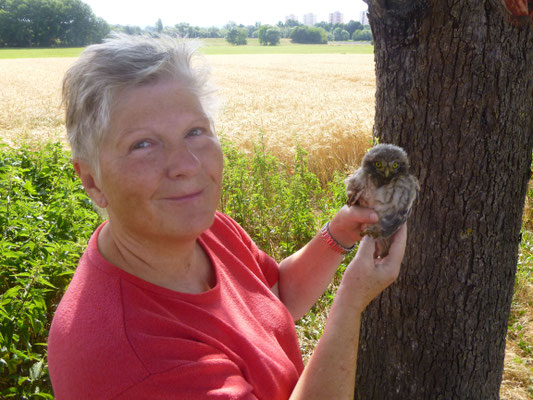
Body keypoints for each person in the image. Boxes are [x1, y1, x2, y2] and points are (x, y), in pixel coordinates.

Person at [47, 34, 407, 400]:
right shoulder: (132, 359)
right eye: (143, 144)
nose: (187, 164)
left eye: (195, 131)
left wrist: (338, 234)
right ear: (91, 179)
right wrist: (350, 302)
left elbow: (273, 296)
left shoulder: (206, 229)